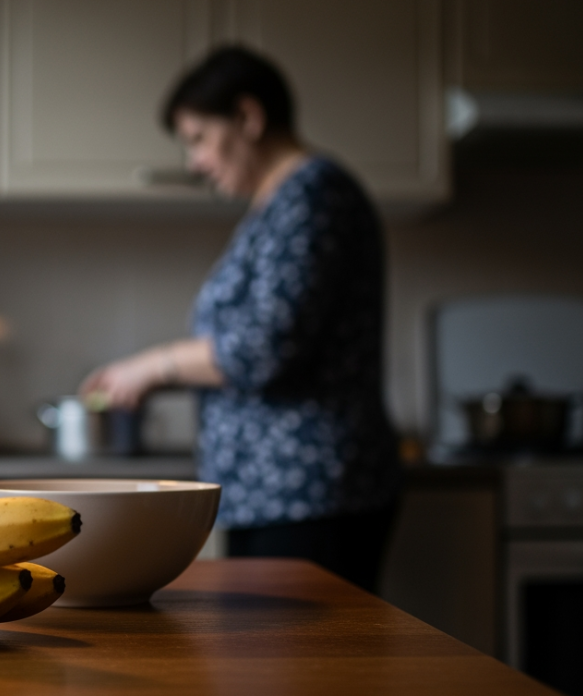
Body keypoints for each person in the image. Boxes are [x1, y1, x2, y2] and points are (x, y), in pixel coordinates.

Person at [78, 46, 401, 593]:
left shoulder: (313, 196)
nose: (195, 162)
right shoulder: (277, 205)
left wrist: (152, 367)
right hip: (279, 494)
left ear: (248, 118)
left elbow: (261, 348)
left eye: (200, 138)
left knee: (304, 673)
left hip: (309, 490)